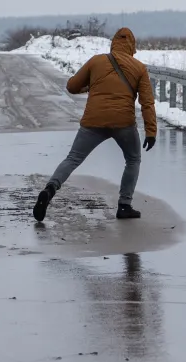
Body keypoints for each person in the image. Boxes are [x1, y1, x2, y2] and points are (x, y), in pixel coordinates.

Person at [33, 27, 157, 222]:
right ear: (132, 46)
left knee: (73, 158)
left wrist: (91, 86)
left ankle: (50, 189)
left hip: (93, 121)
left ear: (113, 43)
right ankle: (124, 205)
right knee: (133, 160)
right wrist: (151, 131)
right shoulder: (139, 68)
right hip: (123, 123)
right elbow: (146, 103)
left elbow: (72, 86)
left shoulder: (96, 61)